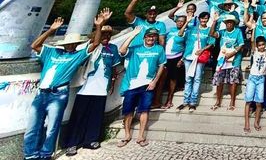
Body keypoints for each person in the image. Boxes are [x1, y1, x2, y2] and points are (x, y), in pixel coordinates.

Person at [24, 11, 107, 160]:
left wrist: (99, 26)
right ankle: (30, 155)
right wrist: (51, 30)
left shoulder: (77, 55)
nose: (71, 45)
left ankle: (45, 155)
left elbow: (95, 44)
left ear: (76, 44)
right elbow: (34, 45)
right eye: (68, 43)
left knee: (52, 128)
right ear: (64, 43)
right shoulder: (52, 52)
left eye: (73, 43)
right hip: (41, 92)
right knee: (32, 126)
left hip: (58, 93)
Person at [64, 12, 120, 156]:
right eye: (103, 34)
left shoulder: (113, 49)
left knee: (96, 117)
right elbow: (95, 43)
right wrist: (99, 25)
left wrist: (112, 82)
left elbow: (114, 67)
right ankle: (72, 143)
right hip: (85, 88)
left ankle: (91, 139)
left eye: (108, 35)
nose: (106, 37)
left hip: (101, 89)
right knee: (79, 117)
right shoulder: (91, 47)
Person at [117, 25, 166, 148]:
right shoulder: (136, 48)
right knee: (128, 111)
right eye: (149, 36)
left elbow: (161, 66)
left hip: (147, 85)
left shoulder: (159, 49)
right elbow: (122, 50)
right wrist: (133, 34)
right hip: (131, 84)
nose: (151, 38)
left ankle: (141, 136)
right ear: (144, 37)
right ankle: (127, 135)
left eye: (154, 36)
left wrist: (155, 81)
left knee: (144, 110)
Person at [178, 11, 214, 112]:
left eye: (206, 18)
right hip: (188, 57)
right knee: (188, 79)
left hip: (199, 58)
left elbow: (211, 43)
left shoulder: (208, 30)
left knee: (197, 79)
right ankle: (185, 101)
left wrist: (202, 49)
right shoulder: (192, 29)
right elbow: (180, 34)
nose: (204, 20)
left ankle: (193, 102)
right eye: (202, 18)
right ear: (199, 19)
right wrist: (187, 22)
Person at [208, 13, 244, 111]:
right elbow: (211, 34)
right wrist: (214, 21)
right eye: (227, 22)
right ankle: (218, 101)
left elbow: (241, 45)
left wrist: (232, 53)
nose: (229, 24)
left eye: (231, 22)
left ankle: (232, 102)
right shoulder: (222, 32)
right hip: (222, 59)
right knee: (219, 80)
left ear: (234, 23)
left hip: (234, 60)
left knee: (233, 81)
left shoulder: (238, 31)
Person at [161, 13, 189, 109]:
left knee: (173, 78)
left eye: (182, 21)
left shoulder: (186, 32)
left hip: (176, 57)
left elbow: (187, 46)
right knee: (163, 77)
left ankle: (169, 99)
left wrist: (182, 59)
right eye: (178, 21)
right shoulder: (171, 30)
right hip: (165, 57)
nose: (180, 23)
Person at [244, 36, 266, 133]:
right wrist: (254, 28)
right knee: (248, 101)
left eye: (263, 44)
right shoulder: (254, 52)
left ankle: (256, 122)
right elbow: (252, 41)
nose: (262, 47)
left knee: (259, 103)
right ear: (257, 46)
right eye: (259, 45)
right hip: (252, 78)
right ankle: (247, 123)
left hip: (261, 79)